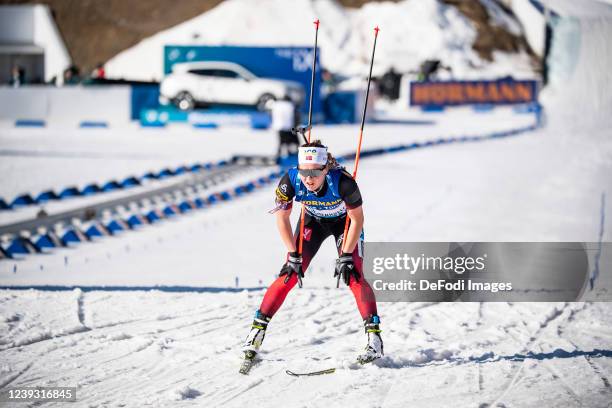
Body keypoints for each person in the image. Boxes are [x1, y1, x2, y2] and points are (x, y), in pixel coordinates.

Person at [241, 140, 383, 366]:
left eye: (315, 172)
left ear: (325, 169)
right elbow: (282, 218)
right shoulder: (290, 180)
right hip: (312, 223)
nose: (309, 178)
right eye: (304, 172)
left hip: (344, 224)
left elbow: (357, 219)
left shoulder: (344, 182)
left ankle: (374, 339)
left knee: (354, 274)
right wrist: (292, 254)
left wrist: (346, 254)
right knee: (290, 272)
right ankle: (256, 332)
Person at [271, 96, 300, 160]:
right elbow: (296, 117)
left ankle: (278, 157)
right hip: (290, 127)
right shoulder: (291, 105)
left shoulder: (276, 105)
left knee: (282, 143)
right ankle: (296, 156)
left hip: (279, 127)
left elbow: (272, 115)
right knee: (296, 143)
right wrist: (296, 126)